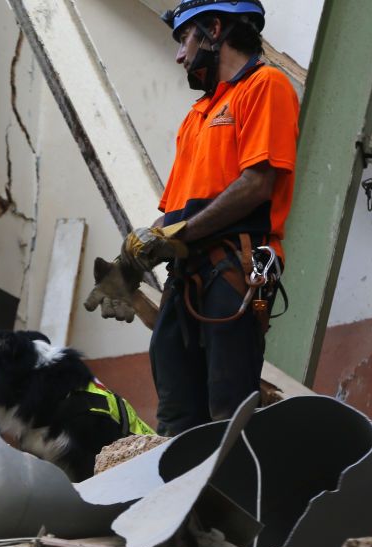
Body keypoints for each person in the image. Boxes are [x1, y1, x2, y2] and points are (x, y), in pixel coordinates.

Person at [121, 1, 299, 436]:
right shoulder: (197, 116)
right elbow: (176, 211)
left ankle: (237, 496)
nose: (180, 54)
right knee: (176, 414)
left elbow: (256, 185)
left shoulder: (265, 85)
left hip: (240, 264)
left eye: (184, 38)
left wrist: (179, 234)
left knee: (228, 406)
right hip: (187, 271)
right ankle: (188, 501)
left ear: (215, 28)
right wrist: (125, 265)